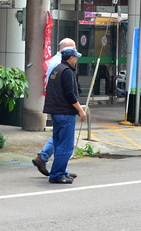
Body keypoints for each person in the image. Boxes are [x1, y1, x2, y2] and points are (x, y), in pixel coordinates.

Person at [32, 38, 81, 177]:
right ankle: (56, 170)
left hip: (57, 108)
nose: (76, 56)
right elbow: (67, 91)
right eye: (74, 51)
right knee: (63, 143)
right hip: (63, 108)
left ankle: (57, 168)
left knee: (59, 140)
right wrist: (80, 110)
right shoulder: (61, 66)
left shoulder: (57, 63)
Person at [41, 47, 86, 184]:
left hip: (56, 112)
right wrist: (81, 110)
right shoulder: (67, 72)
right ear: (71, 58)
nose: (76, 60)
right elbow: (69, 94)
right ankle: (57, 174)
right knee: (65, 146)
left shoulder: (56, 70)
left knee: (59, 143)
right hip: (65, 113)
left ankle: (62, 171)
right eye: (75, 57)